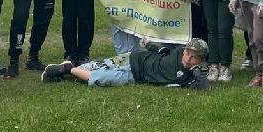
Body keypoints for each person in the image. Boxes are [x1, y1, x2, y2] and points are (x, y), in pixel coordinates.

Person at [41, 38, 209, 89]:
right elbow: (159, 50)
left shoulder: (189, 77)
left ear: (200, 60)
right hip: (134, 58)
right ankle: (65, 70)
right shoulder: (177, 51)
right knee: (96, 65)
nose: (188, 58)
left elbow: (204, 88)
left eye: (194, 57)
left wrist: (198, 70)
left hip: (133, 76)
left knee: (100, 79)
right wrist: (147, 43)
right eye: (188, 53)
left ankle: (67, 69)